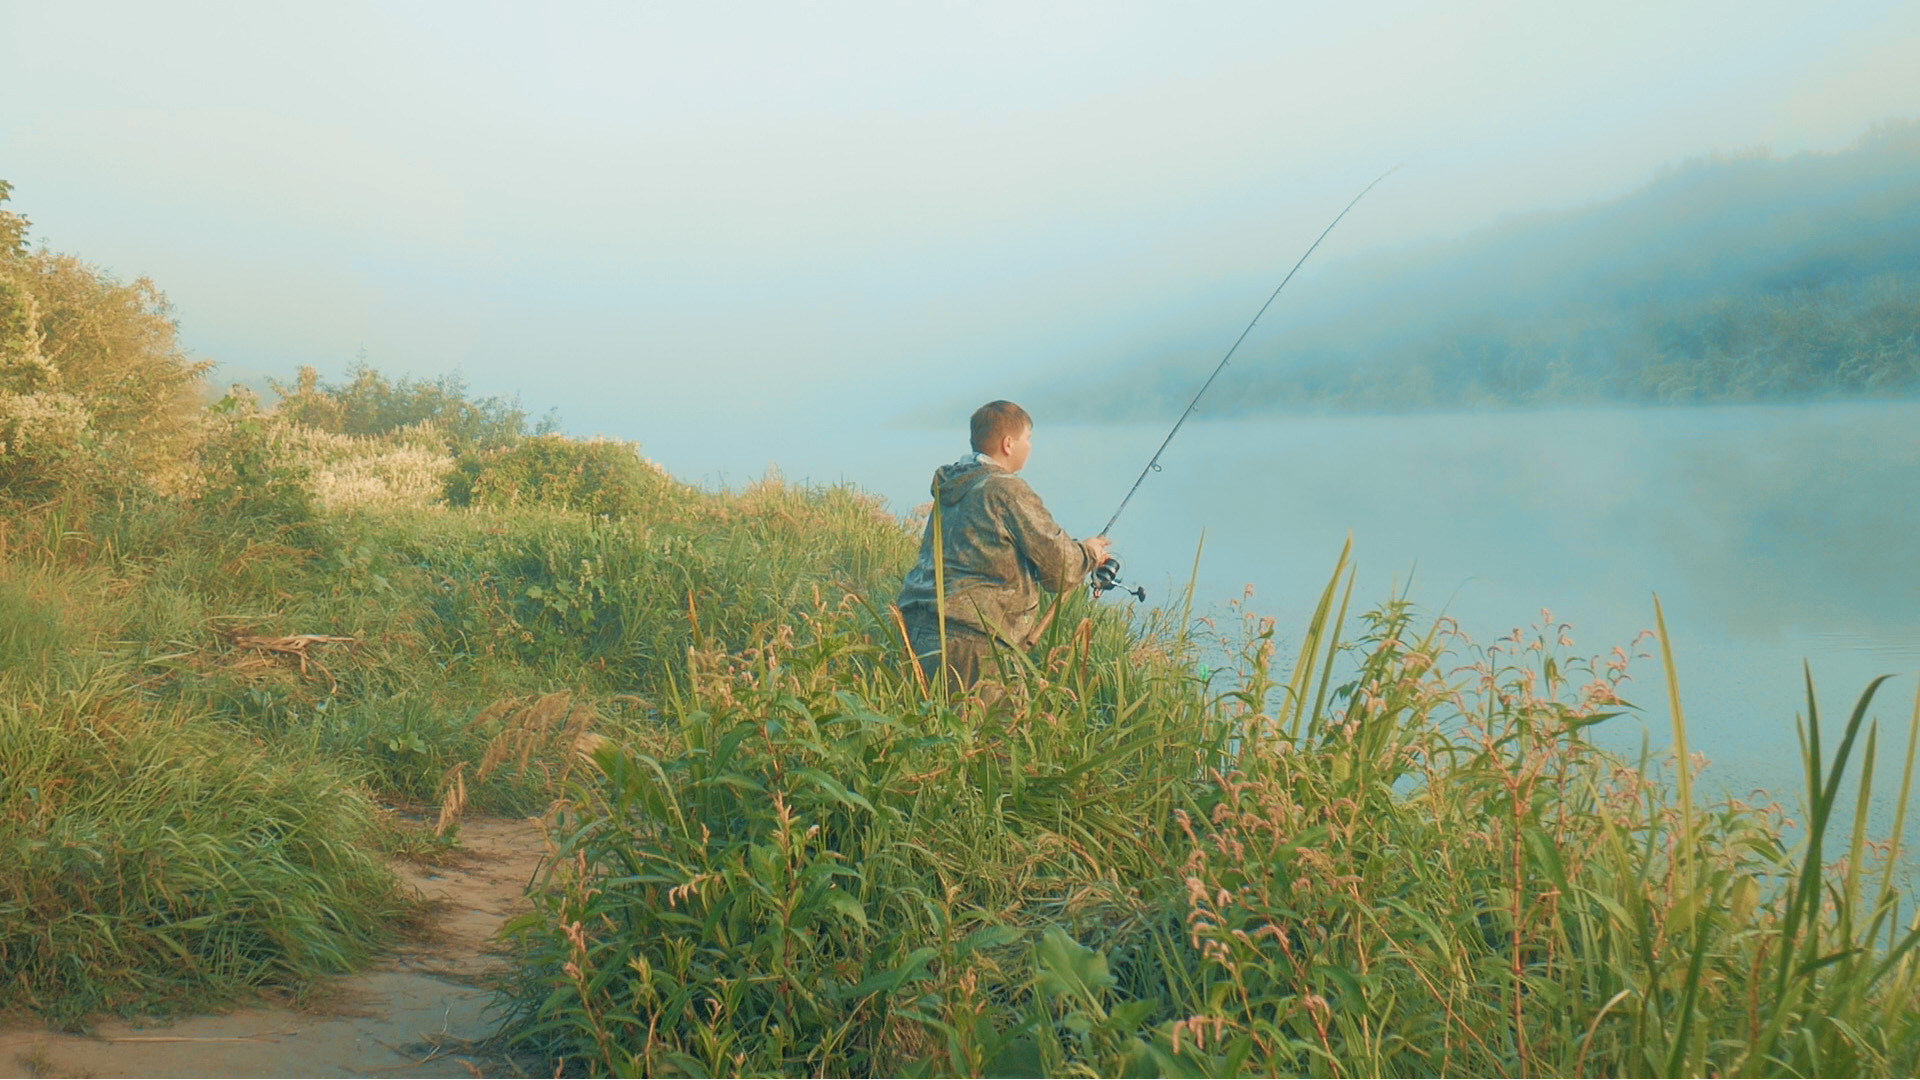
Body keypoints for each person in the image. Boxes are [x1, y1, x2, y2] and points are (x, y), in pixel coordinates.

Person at [896, 400, 1112, 689]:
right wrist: (1089, 552)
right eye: (1028, 439)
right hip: (974, 643)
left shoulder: (952, 487)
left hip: (916, 633)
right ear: (1009, 444)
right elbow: (1060, 568)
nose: (1030, 447)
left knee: (928, 729)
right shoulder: (1005, 489)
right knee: (990, 733)